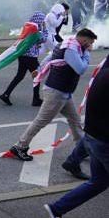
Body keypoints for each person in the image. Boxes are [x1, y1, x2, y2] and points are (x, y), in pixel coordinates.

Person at [43, 55, 108, 218]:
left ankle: (57, 208)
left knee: (99, 181)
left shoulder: (102, 73)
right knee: (98, 181)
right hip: (104, 141)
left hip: (92, 137)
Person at [9, 29, 97, 162]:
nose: (90, 45)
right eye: (89, 43)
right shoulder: (71, 49)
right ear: (84, 41)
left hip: (63, 91)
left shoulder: (66, 43)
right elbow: (81, 69)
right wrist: (87, 53)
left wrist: (38, 69)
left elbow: (49, 57)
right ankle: (20, 146)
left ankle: (82, 149)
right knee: (41, 121)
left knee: (75, 121)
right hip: (57, 92)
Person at [0, 12, 48, 107]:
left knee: (20, 75)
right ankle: (36, 99)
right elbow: (44, 39)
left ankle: (6, 94)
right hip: (31, 57)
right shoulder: (35, 30)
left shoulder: (27, 27)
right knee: (37, 76)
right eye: (42, 20)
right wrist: (45, 28)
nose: (43, 22)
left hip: (22, 55)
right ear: (39, 20)